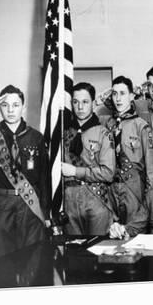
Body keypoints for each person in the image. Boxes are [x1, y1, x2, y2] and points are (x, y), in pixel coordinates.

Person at [0, 85, 51, 283]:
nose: (11, 110)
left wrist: (46, 213)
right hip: (1, 206)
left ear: (23, 108)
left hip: (30, 206)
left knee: (33, 265)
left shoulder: (36, 137)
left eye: (16, 105)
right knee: (3, 268)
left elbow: (44, 177)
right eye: (6, 105)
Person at [105, 76, 153, 236]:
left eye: (122, 93)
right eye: (114, 94)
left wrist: (149, 200)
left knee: (133, 235)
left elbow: (151, 169)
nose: (118, 98)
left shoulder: (141, 126)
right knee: (113, 235)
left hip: (134, 190)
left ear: (131, 96)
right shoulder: (108, 124)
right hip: (111, 189)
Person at [62, 82, 116, 235]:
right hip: (69, 199)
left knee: (98, 252)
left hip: (95, 199)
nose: (80, 107)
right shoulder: (63, 132)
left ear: (93, 103)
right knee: (73, 253)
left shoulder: (103, 133)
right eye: (75, 102)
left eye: (85, 102)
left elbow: (108, 173)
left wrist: (75, 171)